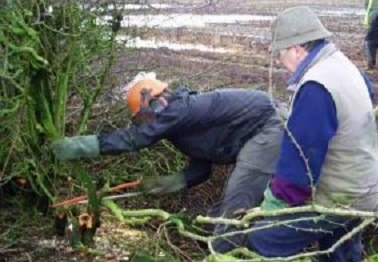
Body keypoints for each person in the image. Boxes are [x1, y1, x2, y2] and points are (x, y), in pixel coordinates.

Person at [52, 77, 284, 252]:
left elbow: (136, 138)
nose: (145, 124)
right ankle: (228, 244)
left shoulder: (181, 107)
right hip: (256, 133)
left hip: (269, 126)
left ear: (154, 102)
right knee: (223, 211)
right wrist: (170, 183)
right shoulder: (181, 126)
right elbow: (202, 168)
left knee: (237, 199)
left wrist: (77, 146)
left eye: (143, 118)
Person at [247, 6, 378, 262]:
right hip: (366, 189)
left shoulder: (316, 86)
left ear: (297, 49)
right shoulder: (342, 64)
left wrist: (272, 208)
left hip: (340, 198)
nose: (278, 61)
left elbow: (300, 165)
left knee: (265, 239)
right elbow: (370, 101)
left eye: (280, 53)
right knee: (341, 261)